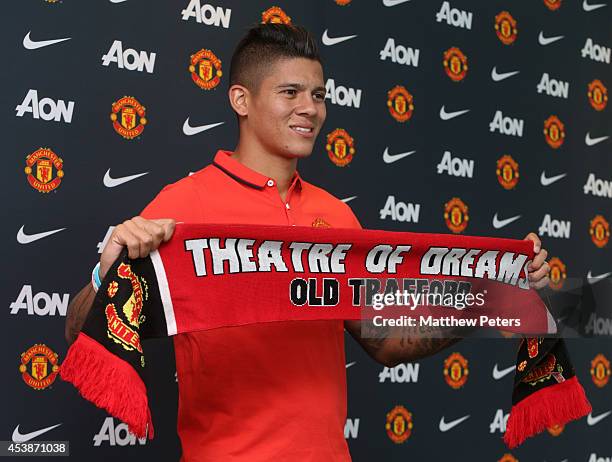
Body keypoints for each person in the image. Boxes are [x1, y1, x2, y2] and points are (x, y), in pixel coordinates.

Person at [65, 24, 551, 461]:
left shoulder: (336, 216)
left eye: (319, 95)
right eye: (290, 92)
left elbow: (387, 340)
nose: (310, 109)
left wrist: (494, 293)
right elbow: (78, 335)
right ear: (241, 100)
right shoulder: (183, 205)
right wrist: (105, 271)